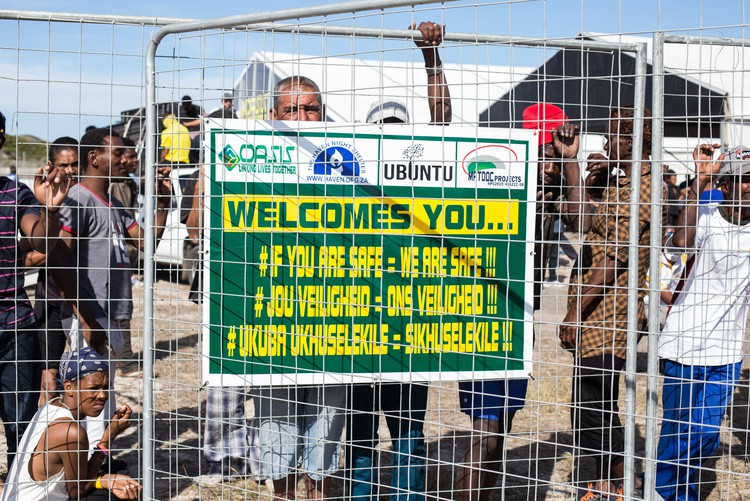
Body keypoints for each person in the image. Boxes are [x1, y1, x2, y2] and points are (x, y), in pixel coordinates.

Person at [348, 20, 450, 501]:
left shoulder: (424, 173)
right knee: (363, 436)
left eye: (398, 130)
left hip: (411, 323)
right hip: (358, 325)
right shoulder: (347, 181)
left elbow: (443, 124)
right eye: (381, 131)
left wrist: (431, 59)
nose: (390, 137)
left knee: (409, 433)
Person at [247, 76, 345, 500]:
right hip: (274, 327)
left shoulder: (347, 163)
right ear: (272, 116)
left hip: (335, 325)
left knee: (326, 439)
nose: (303, 118)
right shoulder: (248, 163)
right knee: (277, 438)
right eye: (292, 109)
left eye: (311, 108)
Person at [557, 106, 657, 500]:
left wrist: (573, 311)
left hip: (612, 313)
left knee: (596, 408)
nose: (607, 144)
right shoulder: (617, 184)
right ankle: (602, 483)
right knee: (585, 409)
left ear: (632, 141)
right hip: (593, 312)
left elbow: (615, 258)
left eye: (612, 137)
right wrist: (573, 165)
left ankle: (627, 481)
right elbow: (578, 220)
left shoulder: (647, 189)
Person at [52, 127, 171, 452]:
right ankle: (88, 472)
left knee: (106, 394)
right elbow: (59, 259)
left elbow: (145, 243)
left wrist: (161, 201)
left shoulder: (114, 203)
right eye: (117, 154)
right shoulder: (77, 199)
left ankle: (98, 462)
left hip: (111, 315)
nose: (126, 159)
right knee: (92, 398)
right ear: (94, 157)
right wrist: (86, 317)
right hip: (90, 317)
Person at [655, 144, 750, 501]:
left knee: (708, 436)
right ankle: (668, 493)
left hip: (726, 354)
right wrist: (701, 179)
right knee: (677, 432)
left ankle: (671, 485)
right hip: (684, 347)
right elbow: (681, 241)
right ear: (725, 186)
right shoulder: (705, 215)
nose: (749, 186)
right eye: (743, 180)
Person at [0, 111, 73, 468]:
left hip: (14, 327)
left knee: (20, 422)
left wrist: (50, 209)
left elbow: (42, 240)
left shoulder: (15, 193)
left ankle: (16, 485)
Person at [1, 347, 140, 500]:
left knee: (117, 471)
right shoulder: (71, 432)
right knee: (114, 492)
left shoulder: (52, 406)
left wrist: (105, 479)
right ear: (69, 387)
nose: (102, 395)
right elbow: (78, 491)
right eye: (93, 388)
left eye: (106, 387)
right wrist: (109, 436)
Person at [25, 137, 79, 407]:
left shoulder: (88, 200)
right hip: (52, 299)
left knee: (88, 377)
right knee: (48, 377)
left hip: (85, 303)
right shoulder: (40, 200)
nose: (70, 171)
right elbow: (36, 248)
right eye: (63, 165)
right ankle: (45, 439)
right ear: (50, 166)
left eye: (75, 164)